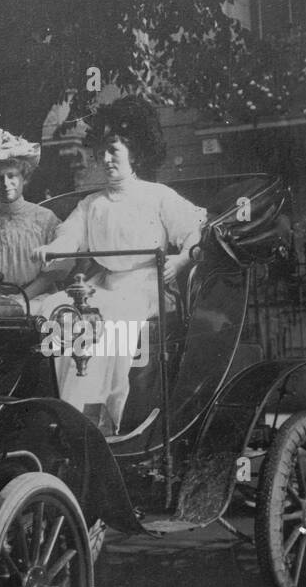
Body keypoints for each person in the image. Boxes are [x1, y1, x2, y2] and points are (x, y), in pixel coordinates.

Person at [32, 97, 206, 433]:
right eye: (103, 151)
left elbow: (195, 235)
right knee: (56, 309)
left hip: (145, 288)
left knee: (105, 319)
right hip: (104, 285)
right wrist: (52, 249)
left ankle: (99, 415)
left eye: (115, 150)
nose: (106, 159)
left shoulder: (158, 196)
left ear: (135, 151)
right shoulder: (91, 204)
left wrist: (182, 260)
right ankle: (65, 407)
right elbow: (71, 238)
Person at [0, 128, 61, 298]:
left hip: (36, 298)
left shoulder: (45, 218)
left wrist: (23, 299)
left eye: (12, 176)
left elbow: (54, 271)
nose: (6, 184)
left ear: (24, 178)